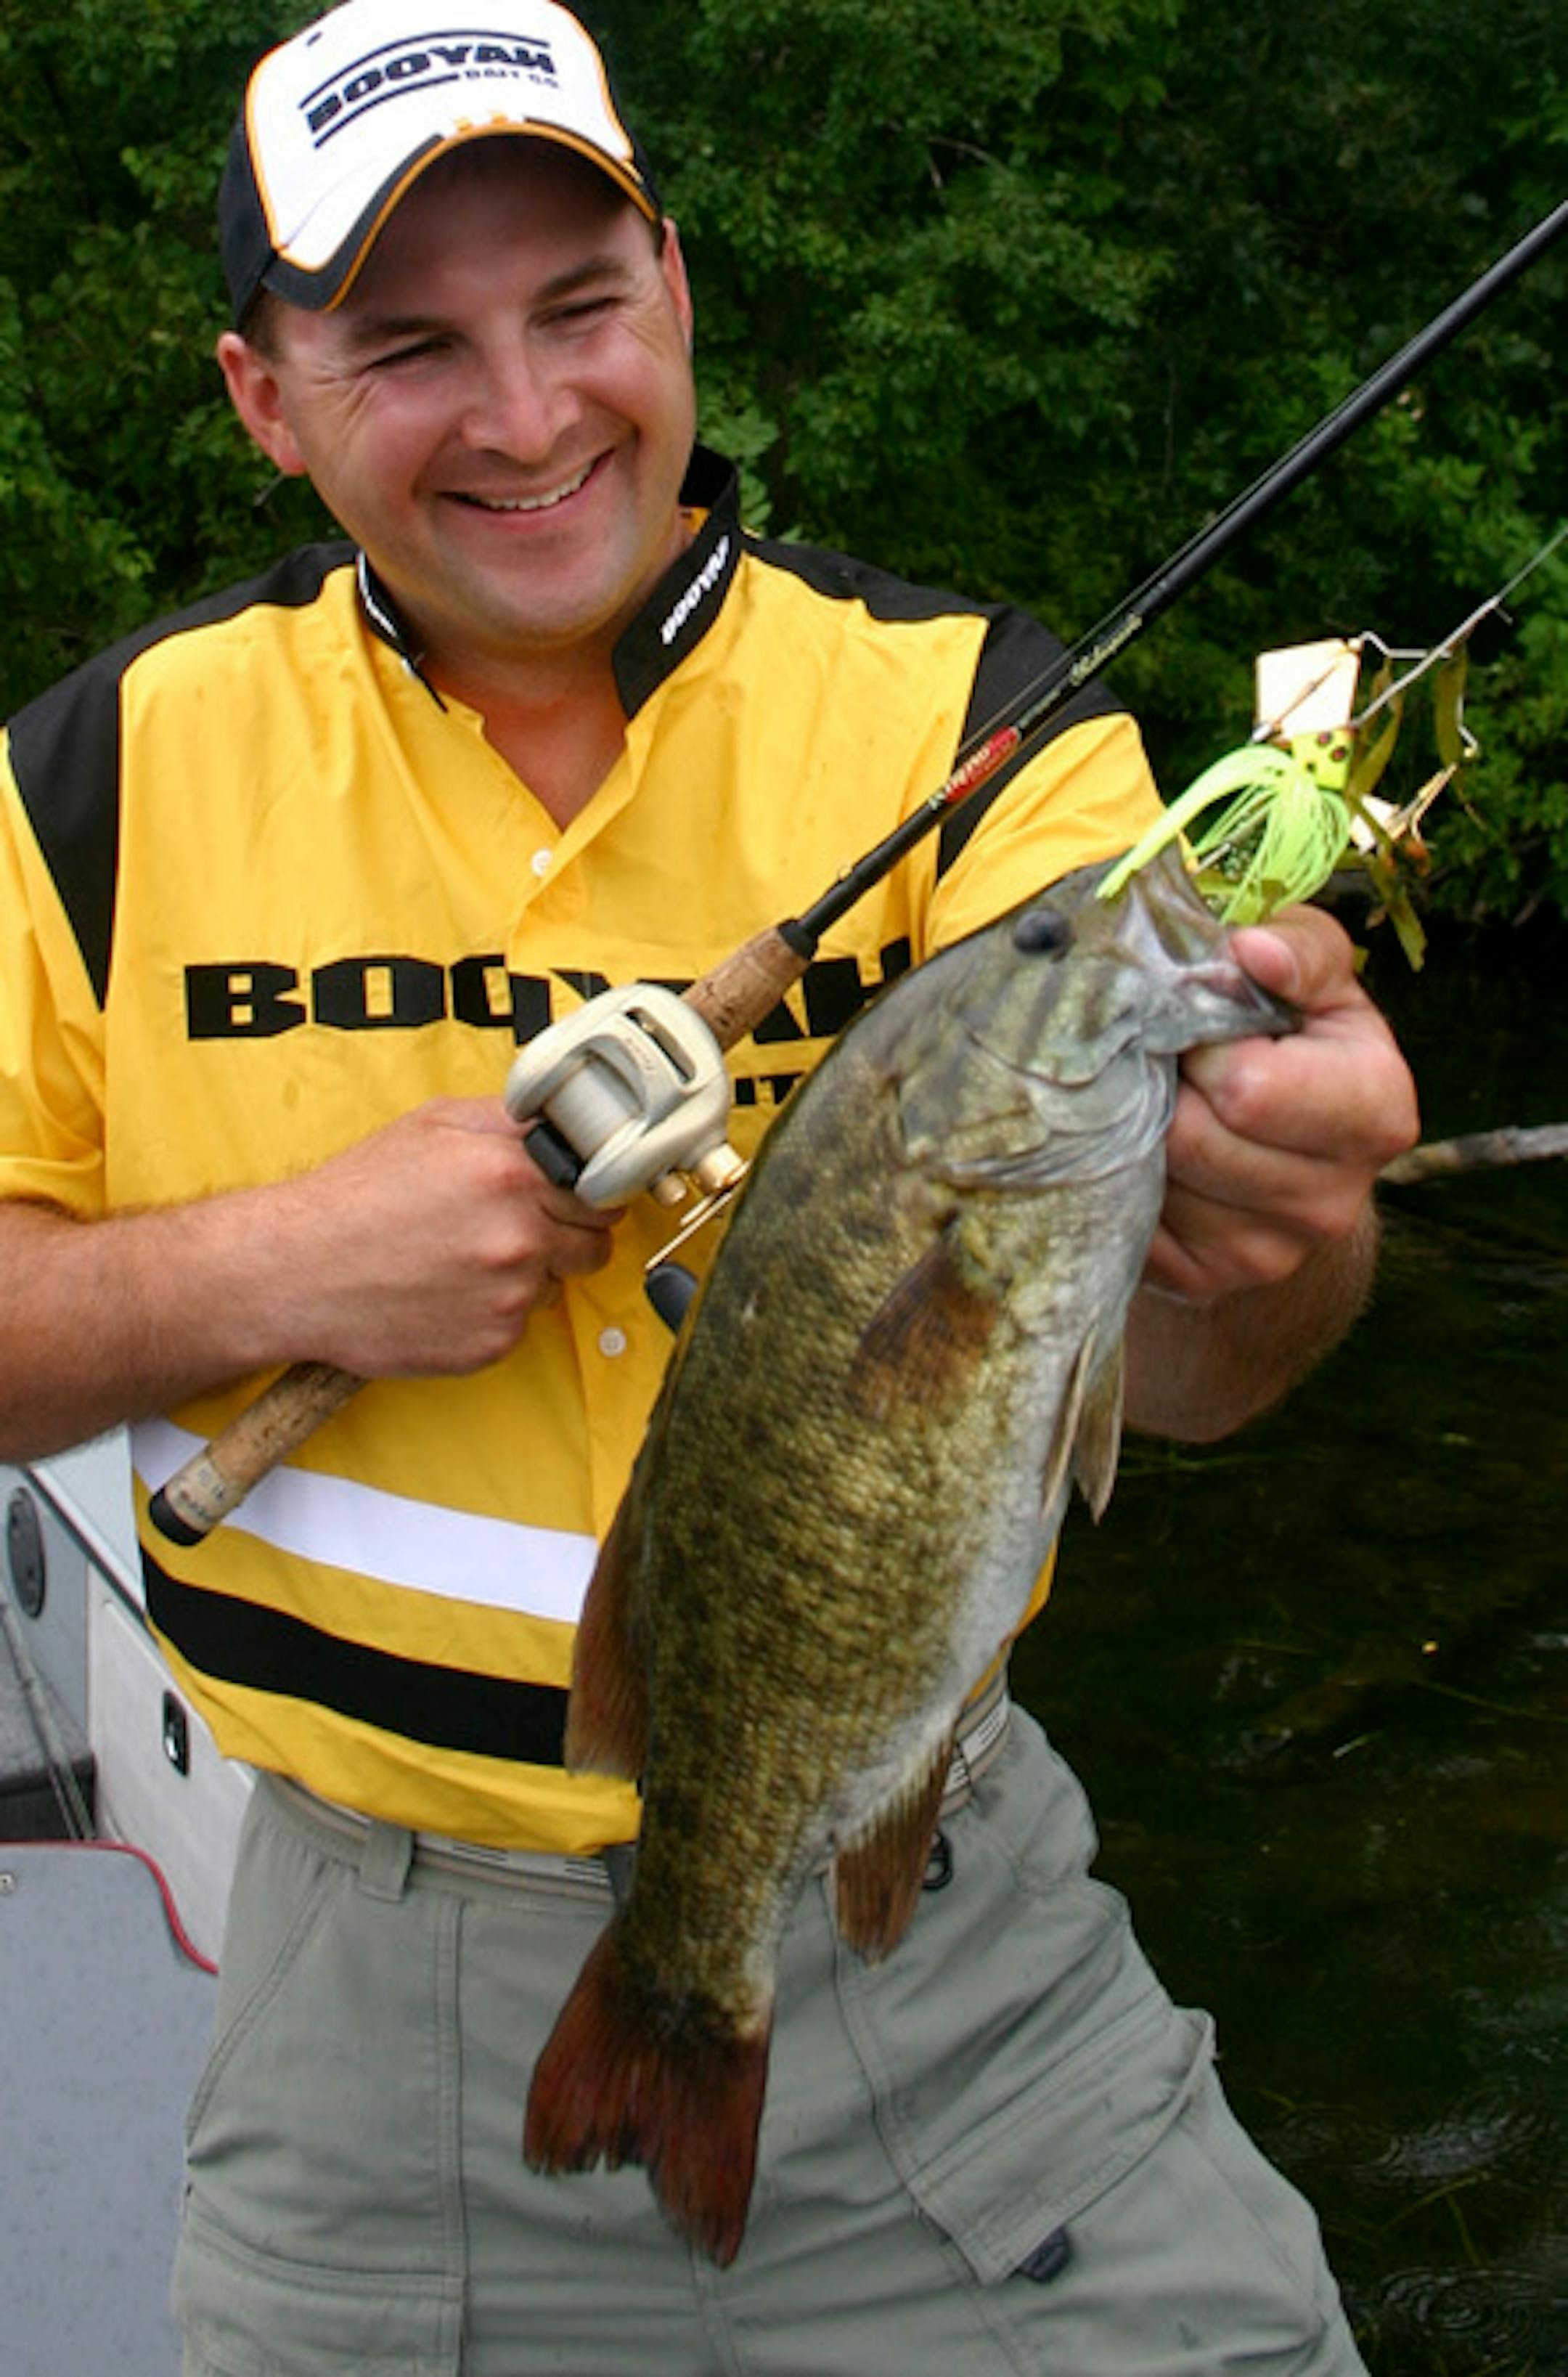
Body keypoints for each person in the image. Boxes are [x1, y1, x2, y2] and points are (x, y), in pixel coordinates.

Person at [0, 2, 1417, 2370]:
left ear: (680, 287)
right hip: (368, 2027)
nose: (534, 414)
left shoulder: (984, 733)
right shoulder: (98, 783)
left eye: (581, 306)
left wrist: (1289, 1238)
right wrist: (273, 1260)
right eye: (410, 343)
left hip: (951, 1941)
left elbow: (1174, 1373)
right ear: (265, 395)